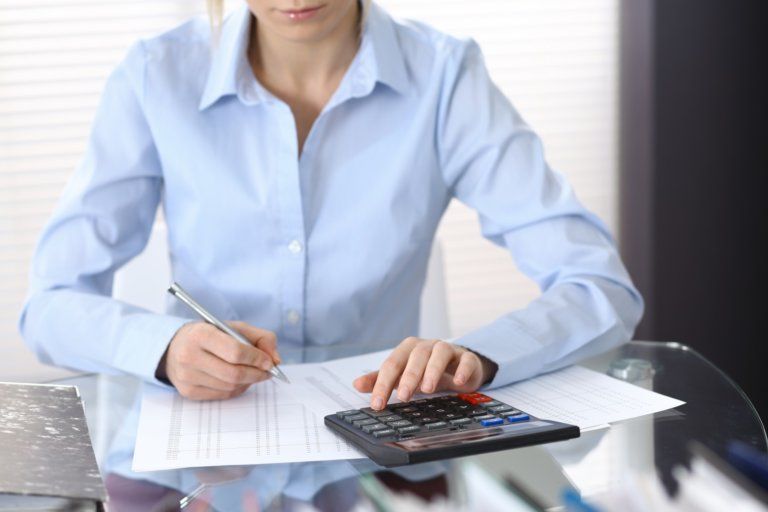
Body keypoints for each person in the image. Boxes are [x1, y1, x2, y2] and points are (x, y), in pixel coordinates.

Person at [19, 0, 643, 411]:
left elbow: (599, 288)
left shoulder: (446, 77)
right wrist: (161, 348)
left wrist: (478, 356)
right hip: (199, 461)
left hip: (381, 458)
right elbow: (49, 306)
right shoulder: (155, 76)